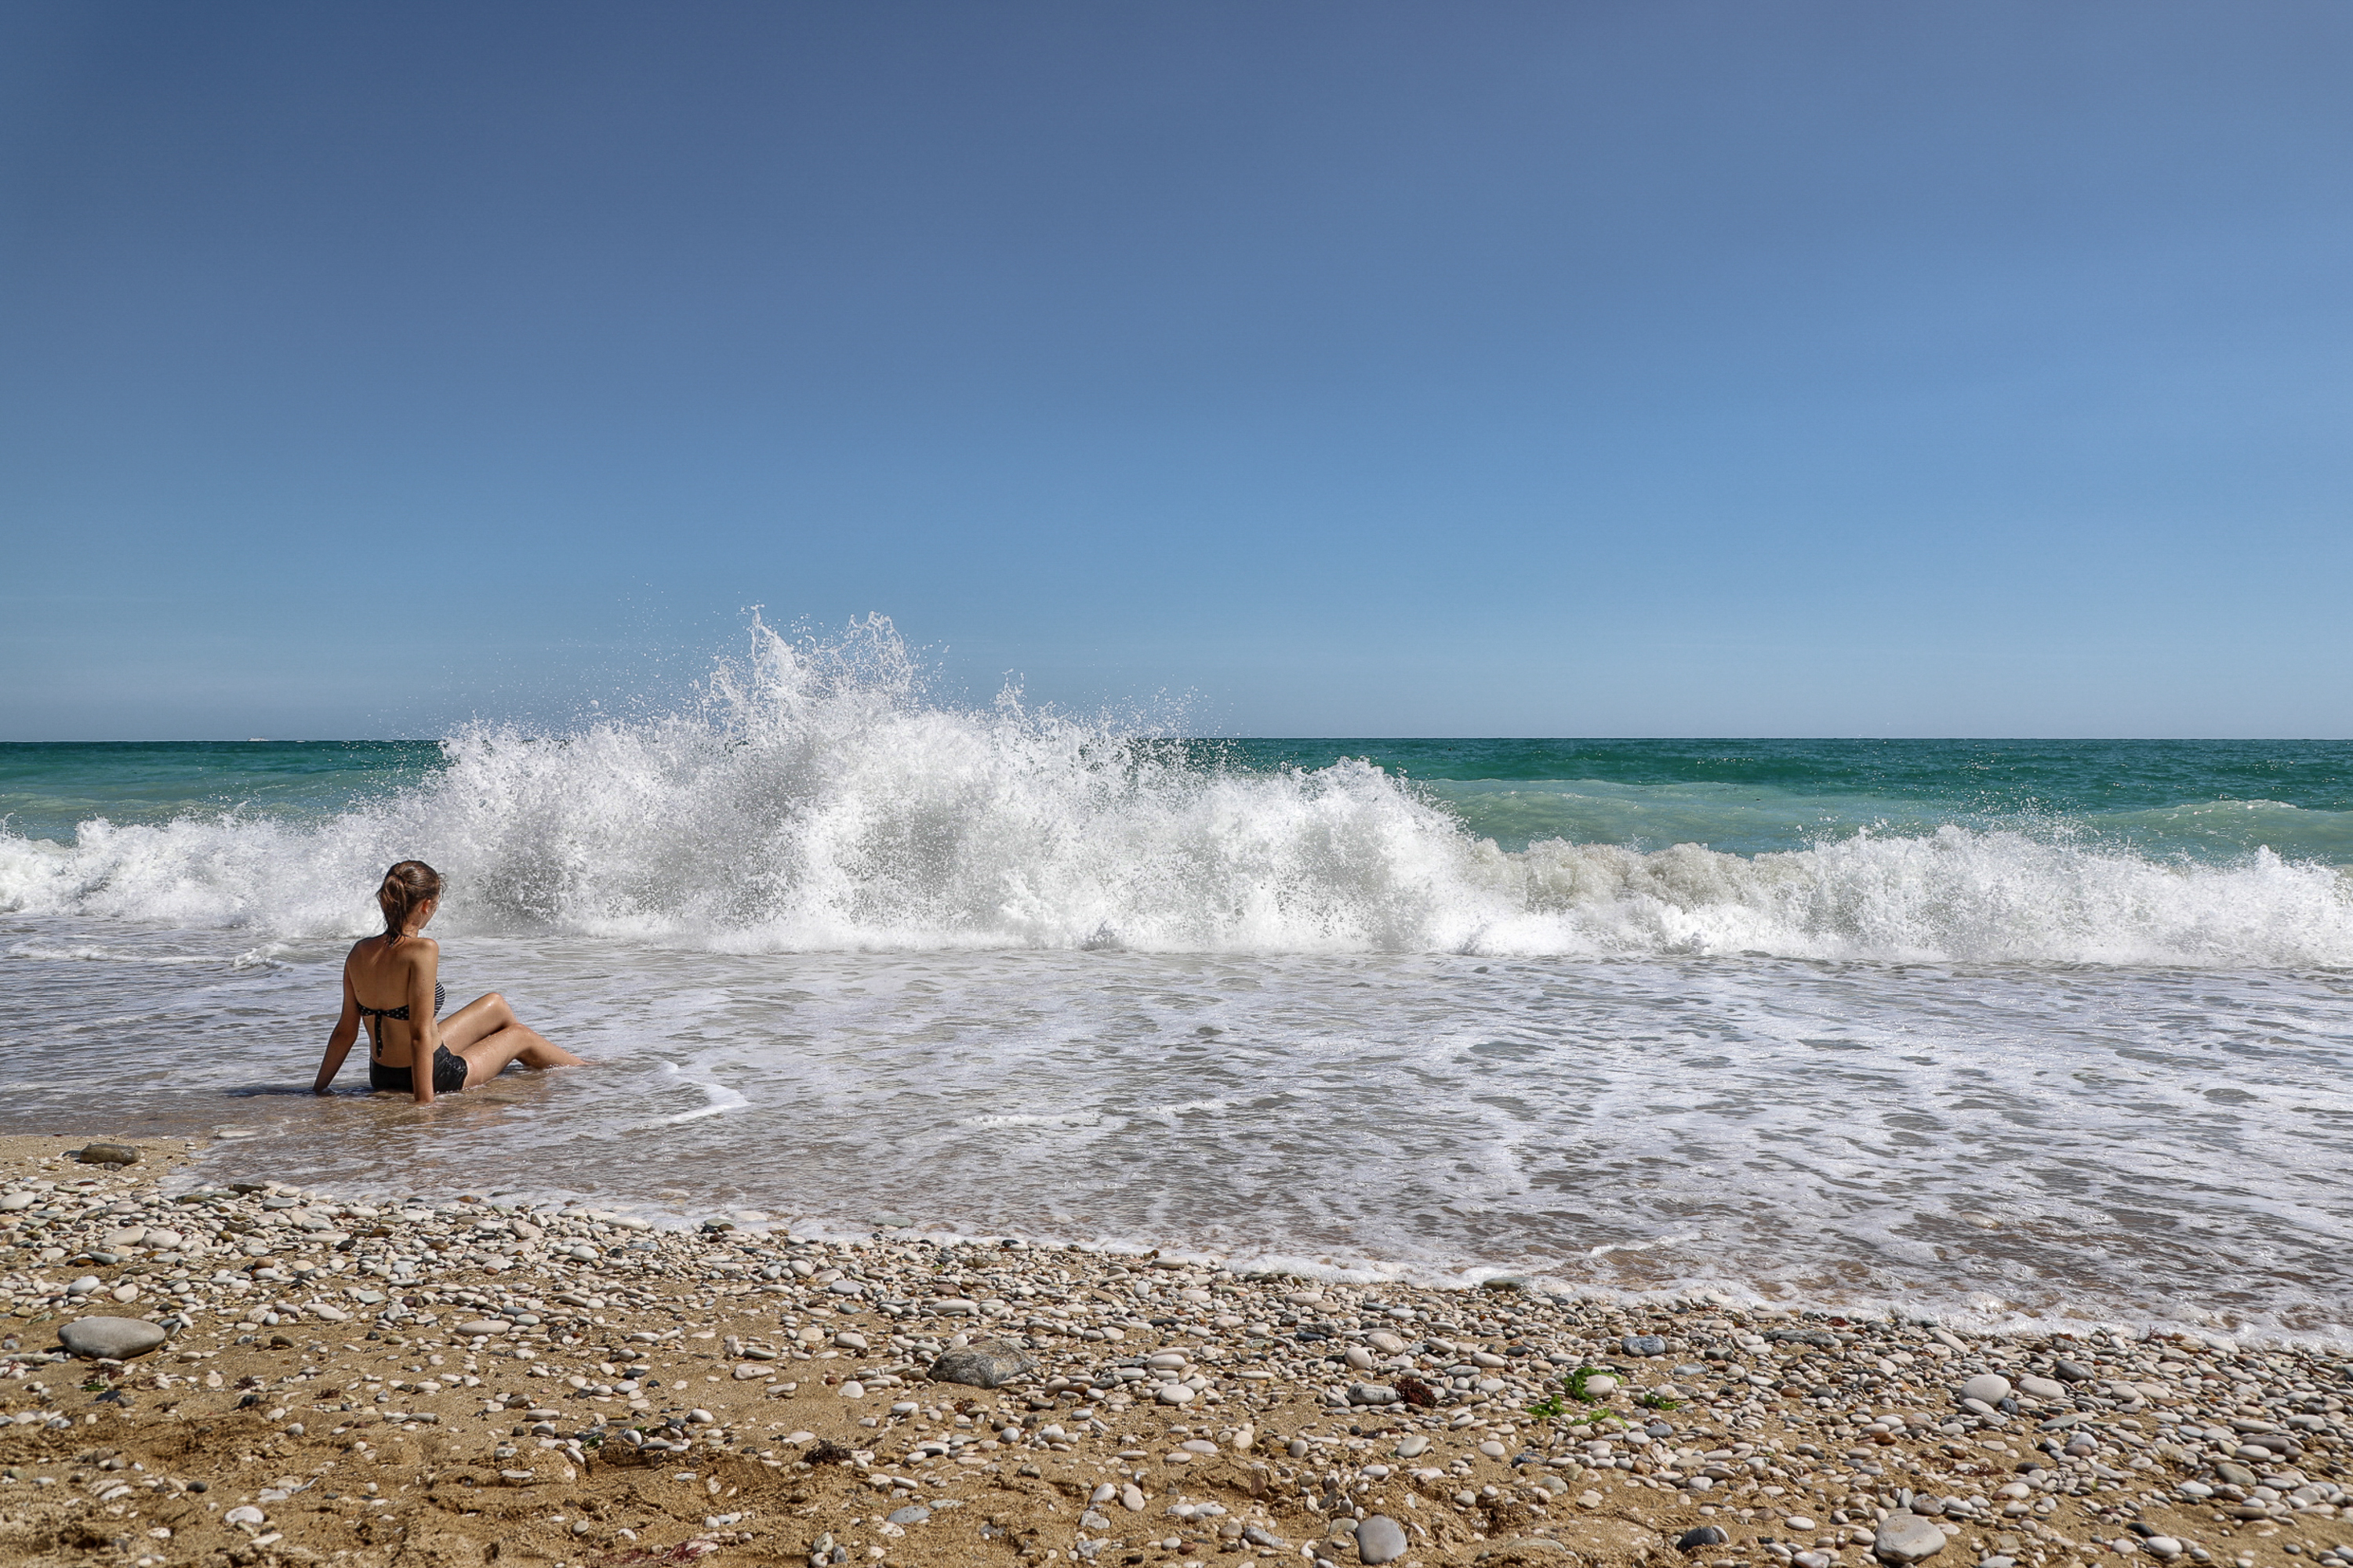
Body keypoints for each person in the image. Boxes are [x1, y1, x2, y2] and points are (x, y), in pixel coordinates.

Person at [312, 859, 584, 1102]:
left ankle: (522, 1074)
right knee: (520, 1035)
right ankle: (589, 1074)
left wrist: (319, 1089)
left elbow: (345, 1032)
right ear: (425, 905)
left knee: (496, 1004)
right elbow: (418, 1035)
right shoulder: (423, 949)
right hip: (433, 1076)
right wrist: (424, 1104)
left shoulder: (359, 951)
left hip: (382, 1074)